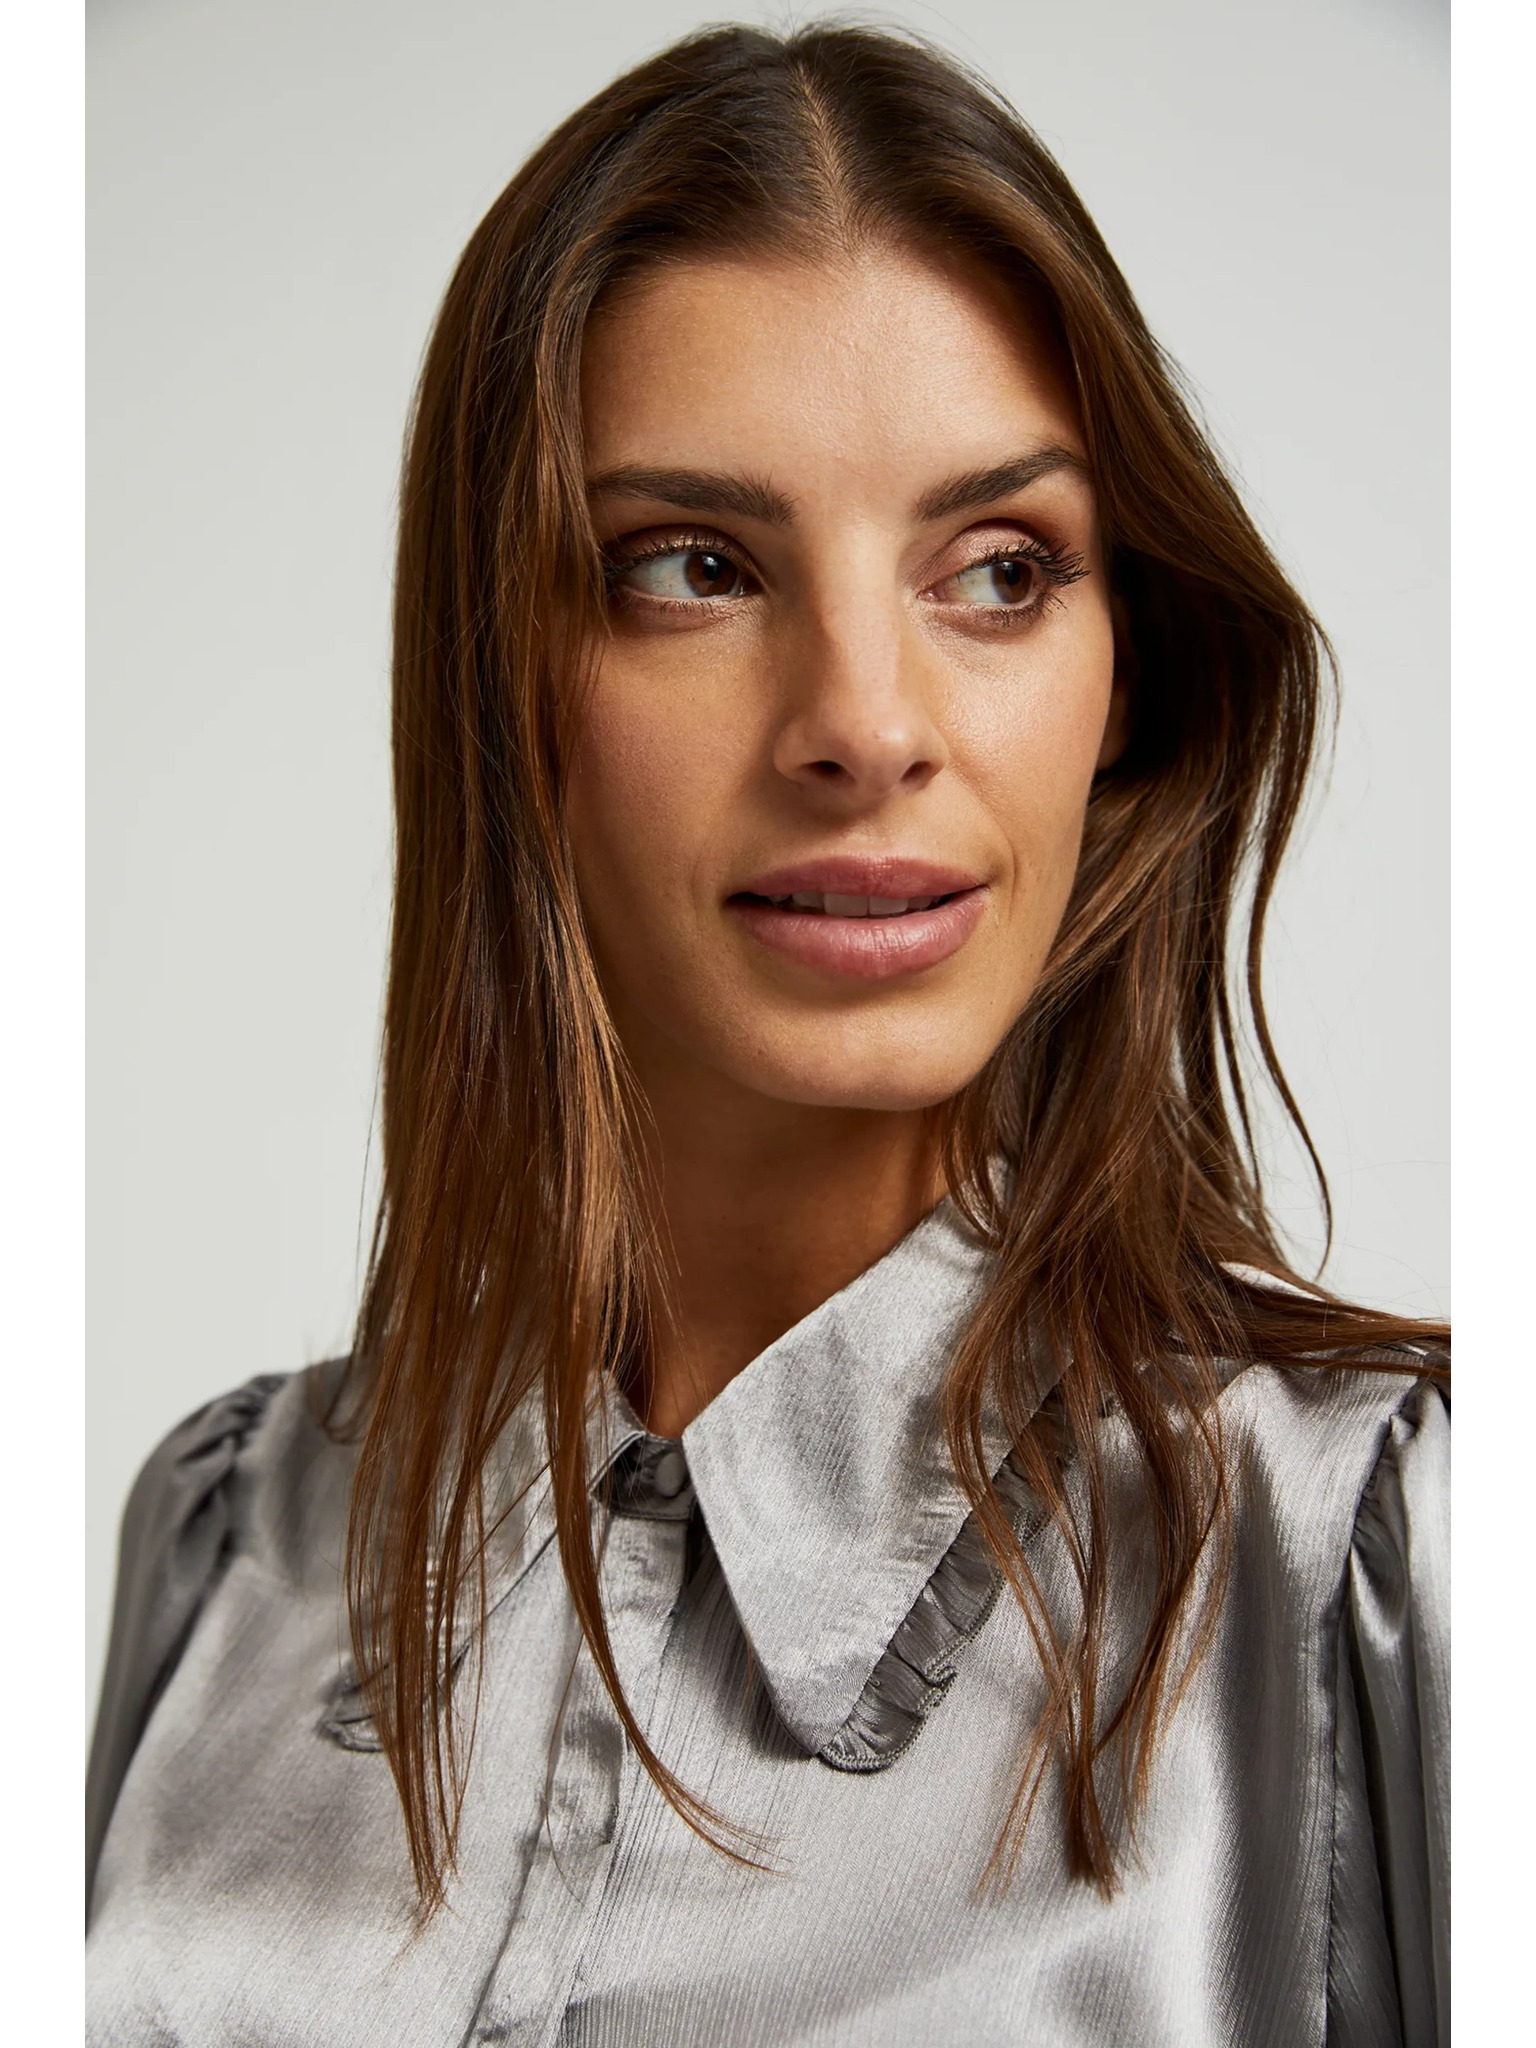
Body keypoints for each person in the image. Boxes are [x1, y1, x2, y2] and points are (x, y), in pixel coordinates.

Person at [85, 23, 1448, 2046]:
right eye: (695, 569)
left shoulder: (1365, 1568)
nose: (867, 724)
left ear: (1129, 678)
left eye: (1001, 570)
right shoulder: (235, 1538)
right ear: (502, 675)